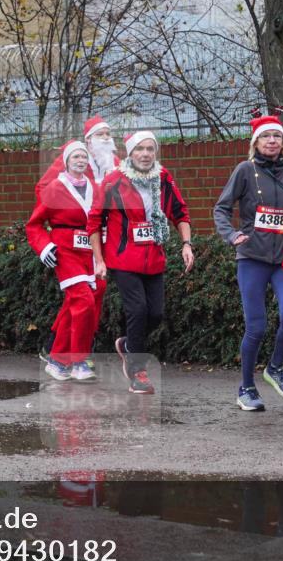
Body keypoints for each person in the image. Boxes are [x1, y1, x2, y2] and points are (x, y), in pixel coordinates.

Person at [214, 113, 283, 411]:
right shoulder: (245, 170)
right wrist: (232, 234)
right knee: (256, 327)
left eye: (277, 136)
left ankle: (274, 368)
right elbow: (221, 208)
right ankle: (246, 388)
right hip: (252, 258)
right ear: (255, 142)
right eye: (266, 136)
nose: (272, 141)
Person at [87, 131, 193, 394]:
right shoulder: (113, 182)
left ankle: (126, 345)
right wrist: (99, 260)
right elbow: (94, 222)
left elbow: (180, 212)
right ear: (130, 153)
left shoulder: (163, 178)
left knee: (155, 314)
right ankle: (138, 372)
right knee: (138, 310)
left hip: (154, 259)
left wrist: (186, 244)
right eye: (140, 149)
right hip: (123, 258)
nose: (145, 154)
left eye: (150, 149)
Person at [34, 115, 120, 363]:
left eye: (108, 134)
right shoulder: (74, 158)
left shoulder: (114, 162)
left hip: (103, 237)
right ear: (88, 140)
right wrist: (66, 216)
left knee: (96, 290)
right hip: (73, 239)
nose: (106, 138)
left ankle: (72, 345)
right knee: (81, 294)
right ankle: (65, 349)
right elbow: (44, 188)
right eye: (100, 134)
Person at [26, 140, 99, 380]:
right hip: (65, 250)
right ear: (66, 161)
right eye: (75, 157)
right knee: (83, 300)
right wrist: (45, 247)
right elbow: (34, 224)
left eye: (83, 157)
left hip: (88, 251)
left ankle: (57, 360)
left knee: (74, 306)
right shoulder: (55, 188)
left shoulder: (94, 187)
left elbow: (102, 221)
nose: (80, 160)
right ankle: (78, 361)